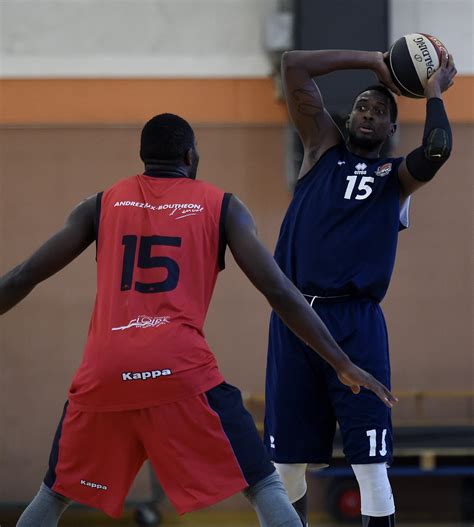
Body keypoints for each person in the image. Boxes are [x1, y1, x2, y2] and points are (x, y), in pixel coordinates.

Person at [0, 113, 396, 527]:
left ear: (144, 157)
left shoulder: (101, 204)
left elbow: (22, 276)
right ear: (190, 155)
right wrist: (342, 363)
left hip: (105, 370)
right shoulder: (222, 205)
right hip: (180, 368)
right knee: (263, 484)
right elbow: (279, 291)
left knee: (55, 492)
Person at [264, 49, 456, 526]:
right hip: (296, 319)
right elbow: (293, 65)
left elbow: (437, 149)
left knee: (370, 465)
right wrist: (373, 61)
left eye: (380, 112)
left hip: (357, 323)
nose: (368, 114)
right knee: (286, 466)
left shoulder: (396, 178)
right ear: (349, 118)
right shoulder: (320, 149)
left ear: (392, 129)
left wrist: (432, 90)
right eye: (363, 107)